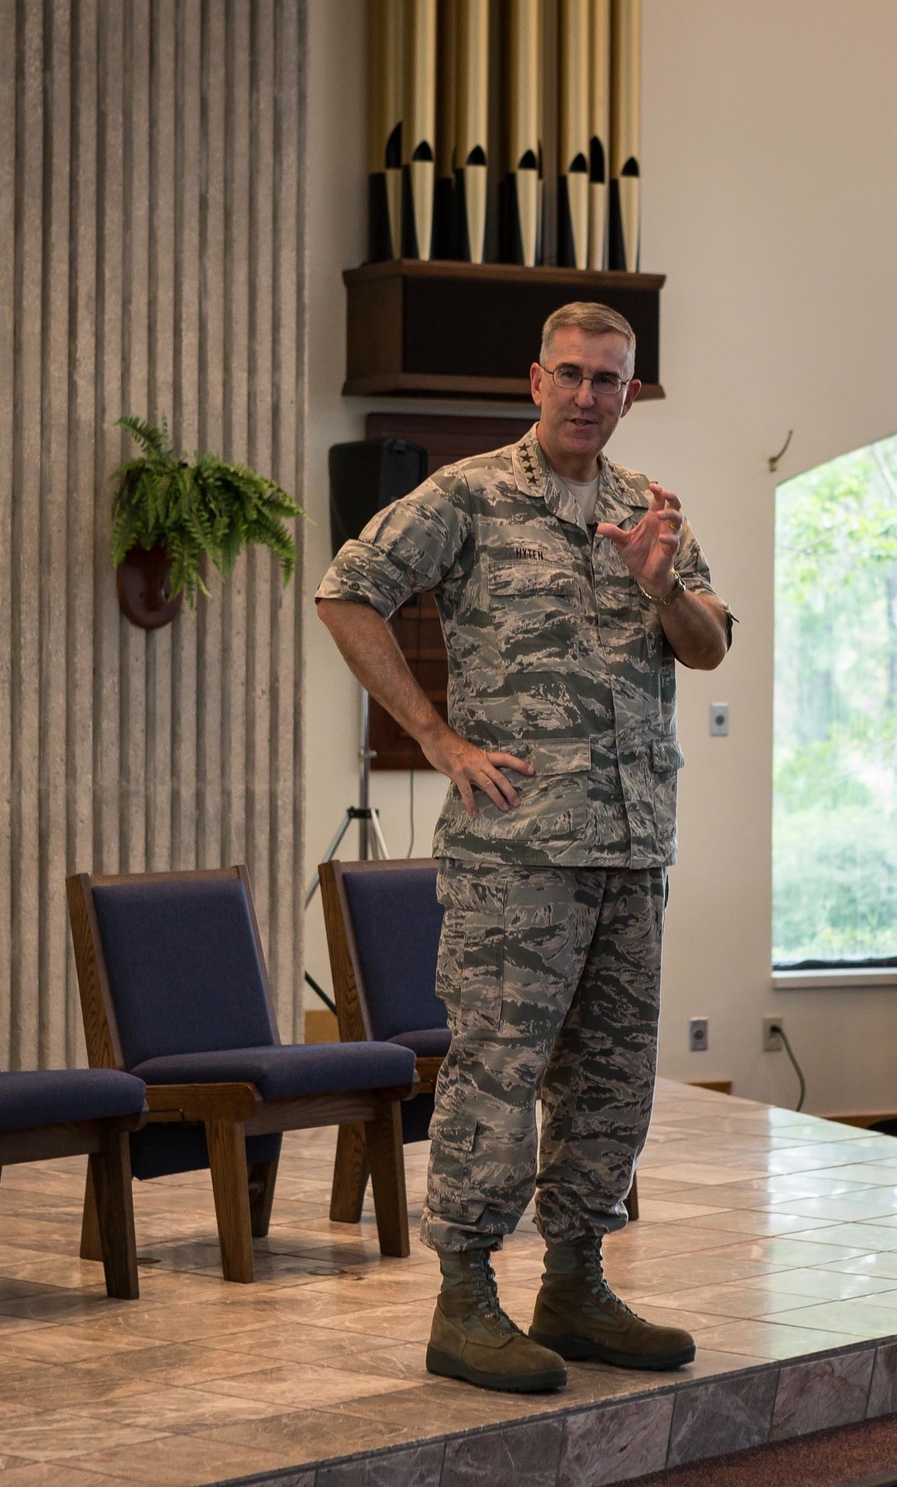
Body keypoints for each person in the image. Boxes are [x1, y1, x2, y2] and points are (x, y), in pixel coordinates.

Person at [315, 301, 732, 1394]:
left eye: (609, 379)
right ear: (533, 380)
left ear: (630, 391)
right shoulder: (467, 496)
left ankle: (576, 1284)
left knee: (609, 1078)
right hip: (519, 853)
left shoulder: (653, 510)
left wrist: (660, 583)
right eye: (571, 374)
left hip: (633, 845)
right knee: (496, 1076)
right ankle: (463, 1301)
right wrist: (434, 735)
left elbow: (707, 648)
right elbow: (347, 590)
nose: (589, 394)